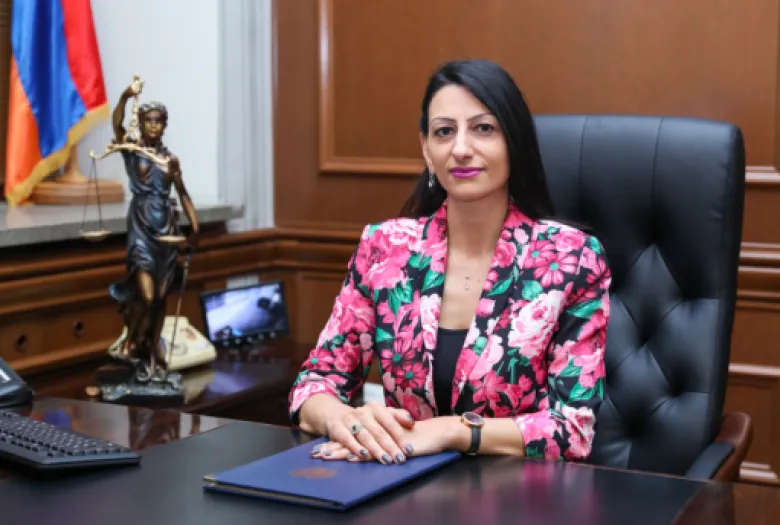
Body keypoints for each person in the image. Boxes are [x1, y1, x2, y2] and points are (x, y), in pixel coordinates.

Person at [289, 59, 611, 465]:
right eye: (444, 132)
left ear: (514, 141)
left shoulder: (572, 258)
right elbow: (315, 382)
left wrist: (450, 432)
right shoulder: (385, 248)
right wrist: (345, 420)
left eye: (483, 128)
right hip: (401, 481)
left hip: (519, 490)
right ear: (427, 149)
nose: (460, 149)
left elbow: (572, 430)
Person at [107, 76, 199, 383]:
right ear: (143, 123)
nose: (154, 126)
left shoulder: (170, 160)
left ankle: (150, 353)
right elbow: (117, 124)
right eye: (149, 121)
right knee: (146, 296)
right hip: (141, 226)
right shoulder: (133, 151)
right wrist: (125, 95)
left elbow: (183, 194)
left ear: (164, 125)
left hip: (167, 229)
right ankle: (133, 342)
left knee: (160, 299)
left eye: (159, 121)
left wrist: (195, 226)